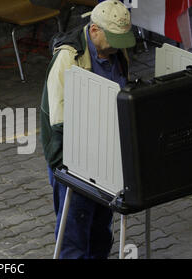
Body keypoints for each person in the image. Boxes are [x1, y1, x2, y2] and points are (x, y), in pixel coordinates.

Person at [40, 0, 136, 258]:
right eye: (115, 38)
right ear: (94, 31)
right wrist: (67, 171)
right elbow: (58, 123)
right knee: (74, 231)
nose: (120, 45)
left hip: (105, 159)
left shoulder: (116, 51)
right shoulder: (68, 58)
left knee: (100, 231)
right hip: (74, 160)